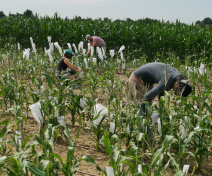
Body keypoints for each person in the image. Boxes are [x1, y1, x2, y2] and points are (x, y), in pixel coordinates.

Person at [126, 62, 192, 117]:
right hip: (136, 80)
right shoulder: (166, 80)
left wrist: (162, 110)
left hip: (147, 81)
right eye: (175, 91)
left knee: (148, 109)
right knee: (142, 113)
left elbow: (162, 92)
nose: (174, 91)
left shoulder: (177, 77)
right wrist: (146, 116)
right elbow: (146, 97)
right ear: (176, 84)